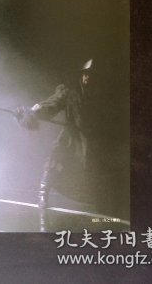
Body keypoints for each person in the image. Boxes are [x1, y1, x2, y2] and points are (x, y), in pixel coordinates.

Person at [16, 59, 100, 216]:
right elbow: (52, 103)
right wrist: (32, 112)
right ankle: (43, 193)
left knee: (90, 169)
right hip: (71, 136)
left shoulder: (104, 95)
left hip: (93, 138)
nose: (88, 77)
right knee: (56, 158)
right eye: (85, 74)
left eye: (92, 74)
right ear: (81, 75)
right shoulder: (70, 92)